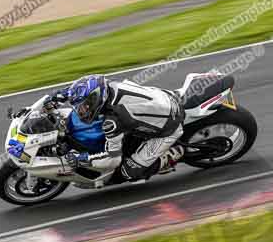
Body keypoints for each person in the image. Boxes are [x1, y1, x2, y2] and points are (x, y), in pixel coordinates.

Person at [48, 74, 185, 182]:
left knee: (128, 171)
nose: (81, 111)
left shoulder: (114, 120)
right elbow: (80, 89)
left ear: (95, 99)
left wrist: (81, 159)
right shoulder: (106, 87)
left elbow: (113, 159)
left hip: (168, 128)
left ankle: (171, 155)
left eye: (84, 107)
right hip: (163, 97)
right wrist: (55, 97)